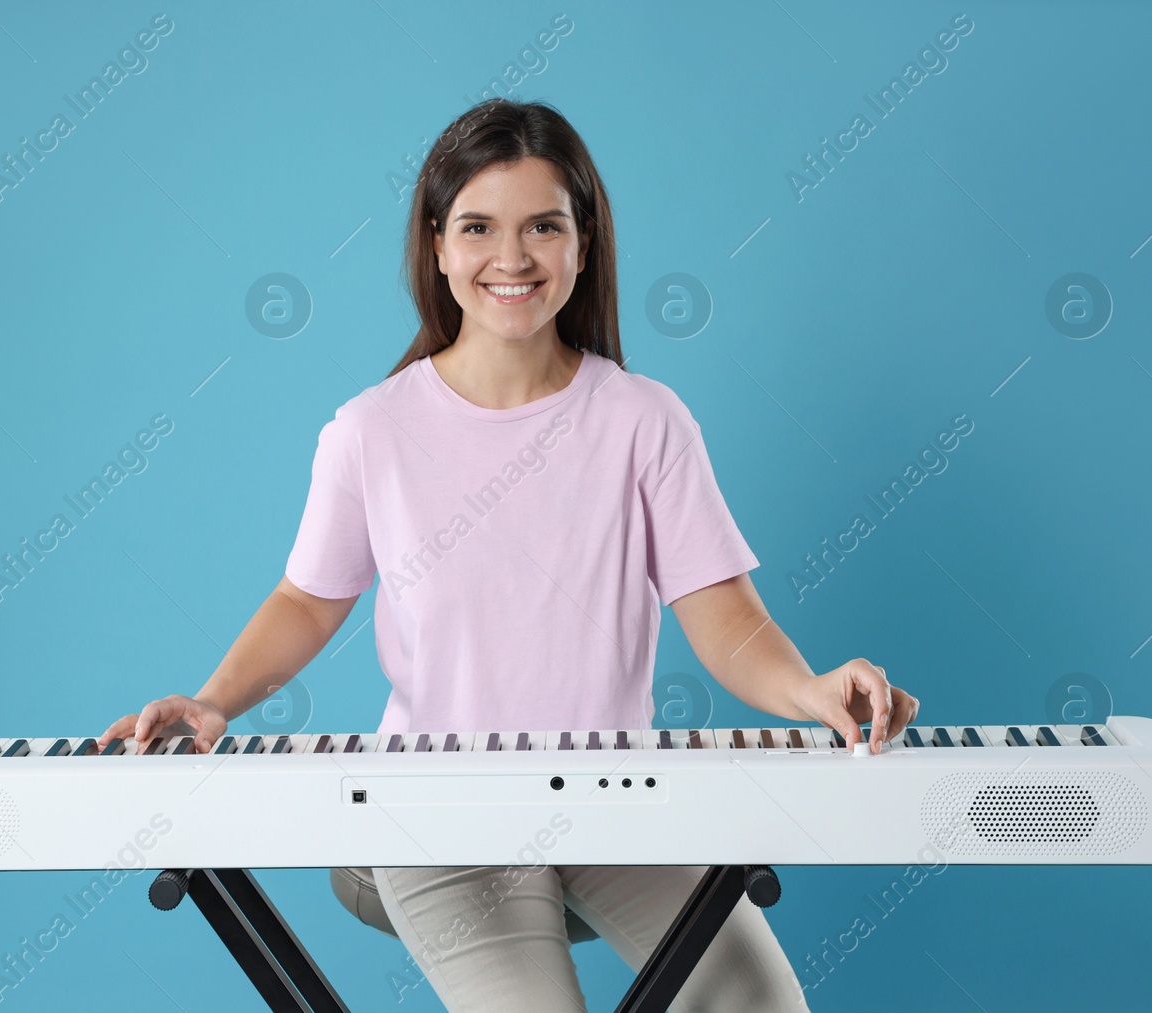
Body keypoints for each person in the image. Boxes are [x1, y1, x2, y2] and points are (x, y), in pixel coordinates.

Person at [100, 97, 919, 1012]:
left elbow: (726, 620)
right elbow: (307, 601)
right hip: (436, 814)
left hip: (617, 802)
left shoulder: (646, 420)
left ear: (583, 242)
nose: (513, 257)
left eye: (544, 226)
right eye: (480, 227)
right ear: (439, 244)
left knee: (759, 1004)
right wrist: (212, 701)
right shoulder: (373, 430)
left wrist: (810, 692)